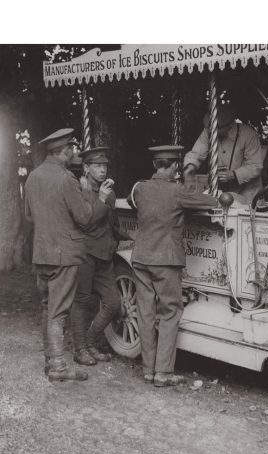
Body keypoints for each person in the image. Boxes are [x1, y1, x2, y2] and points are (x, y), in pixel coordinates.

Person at [25, 128, 113, 381]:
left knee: (47, 308)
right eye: (73, 149)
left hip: (41, 252)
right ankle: (59, 368)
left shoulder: (33, 177)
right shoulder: (66, 179)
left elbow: (29, 216)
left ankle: (51, 362)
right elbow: (85, 218)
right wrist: (101, 200)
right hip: (64, 255)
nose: (75, 153)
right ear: (65, 151)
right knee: (58, 311)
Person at [131, 145, 218, 387]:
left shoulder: (141, 188)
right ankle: (163, 373)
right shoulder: (177, 191)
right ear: (176, 166)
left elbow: (132, 200)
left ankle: (148, 370)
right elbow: (209, 201)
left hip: (140, 257)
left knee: (146, 313)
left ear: (154, 165)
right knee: (169, 313)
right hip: (165, 260)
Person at [71, 147, 128, 366]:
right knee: (82, 302)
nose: (102, 170)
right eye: (97, 166)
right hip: (84, 254)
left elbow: (110, 223)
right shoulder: (78, 190)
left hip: (104, 255)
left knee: (113, 303)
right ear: (86, 168)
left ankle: (90, 342)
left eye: (104, 166)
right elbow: (85, 223)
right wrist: (101, 200)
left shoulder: (109, 192)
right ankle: (80, 349)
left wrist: (122, 237)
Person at [183, 103, 263, 205]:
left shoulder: (248, 134)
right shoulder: (209, 130)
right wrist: (190, 166)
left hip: (247, 194)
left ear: (229, 126)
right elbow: (196, 153)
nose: (211, 133)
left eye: (216, 130)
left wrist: (233, 174)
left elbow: (256, 166)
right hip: (222, 193)